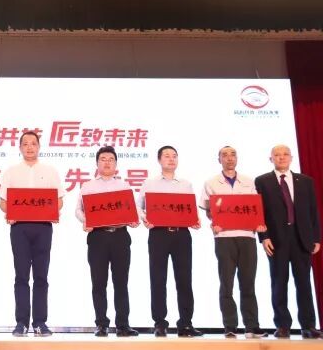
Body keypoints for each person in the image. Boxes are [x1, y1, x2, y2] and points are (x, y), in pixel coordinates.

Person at [0, 131, 64, 337]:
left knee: (41, 276)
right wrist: (11, 213)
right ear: (20, 148)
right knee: (21, 276)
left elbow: (59, 200)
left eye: (33, 143)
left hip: (43, 228)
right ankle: (21, 322)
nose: (29, 147)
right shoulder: (11, 172)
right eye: (25, 144)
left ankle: (40, 322)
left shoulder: (50, 171)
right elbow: (3, 202)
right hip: (19, 228)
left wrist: (52, 212)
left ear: (39, 147)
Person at [199, 146, 267, 339]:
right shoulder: (211, 182)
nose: (229, 158)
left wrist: (259, 223)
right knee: (226, 283)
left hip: (247, 236)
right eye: (225, 155)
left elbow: (255, 208)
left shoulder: (249, 181)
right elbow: (208, 210)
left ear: (237, 158)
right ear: (219, 159)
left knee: (248, 283)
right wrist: (213, 220)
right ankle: (230, 326)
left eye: (233, 155)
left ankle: (252, 326)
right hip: (224, 237)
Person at [255, 144, 322, 339]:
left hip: (302, 238)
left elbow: (313, 211)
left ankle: (308, 325)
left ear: (291, 158)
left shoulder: (305, 181)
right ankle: (282, 325)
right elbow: (259, 212)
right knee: (279, 282)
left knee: (304, 283)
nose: (281, 157)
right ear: (271, 159)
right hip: (276, 239)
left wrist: (316, 238)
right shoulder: (262, 181)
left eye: (285, 154)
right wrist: (264, 237)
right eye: (277, 154)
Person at [137, 145, 202, 338]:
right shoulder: (149, 183)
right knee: (158, 278)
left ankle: (186, 324)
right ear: (159, 160)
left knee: (184, 279)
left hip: (182, 235)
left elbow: (189, 209)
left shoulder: (185, 184)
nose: (171, 159)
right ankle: (160, 323)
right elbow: (138, 206)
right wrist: (145, 218)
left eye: (174, 156)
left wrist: (195, 220)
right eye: (166, 156)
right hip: (158, 234)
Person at [75, 146, 139, 337]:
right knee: (99, 282)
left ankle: (123, 325)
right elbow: (78, 210)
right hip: (98, 237)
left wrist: (134, 220)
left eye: (111, 159)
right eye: (103, 159)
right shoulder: (88, 186)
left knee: (121, 282)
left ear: (116, 164)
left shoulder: (124, 185)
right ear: (97, 163)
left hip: (120, 236)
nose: (107, 162)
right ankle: (101, 324)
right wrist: (85, 220)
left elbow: (132, 210)